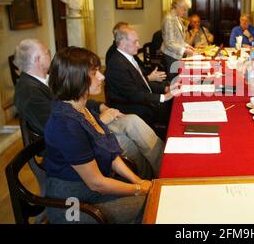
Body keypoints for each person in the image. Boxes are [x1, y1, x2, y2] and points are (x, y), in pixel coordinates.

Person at [13, 39, 163, 179]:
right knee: (126, 142)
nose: (50, 54)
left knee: (132, 120)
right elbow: (59, 129)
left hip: (86, 123)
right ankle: (147, 179)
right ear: (37, 59)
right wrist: (99, 121)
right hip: (72, 143)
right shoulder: (29, 92)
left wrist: (100, 106)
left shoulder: (45, 79)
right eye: (47, 52)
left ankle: (164, 167)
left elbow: (73, 96)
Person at [44, 47, 151, 224]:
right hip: (74, 203)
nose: (102, 77)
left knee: (151, 199)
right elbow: (96, 183)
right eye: (94, 73)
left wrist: (138, 181)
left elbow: (110, 153)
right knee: (151, 204)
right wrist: (139, 189)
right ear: (75, 79)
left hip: (94, 191)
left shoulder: (80, 107)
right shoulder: (66, 124)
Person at [105, 26, 178, 137]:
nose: (139, 45)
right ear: (123, 43)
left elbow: (142, 82)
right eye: (135, 42)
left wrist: (166, 89)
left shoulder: (128, 57)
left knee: (175, 103)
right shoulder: (117, 64)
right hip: (131, 106)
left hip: (141, 99)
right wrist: (163, 97)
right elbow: (133, 95)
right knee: (174, 110)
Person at [160, 0, 195, 80]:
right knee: (173, 82)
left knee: (178, 80)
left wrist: (186, 45)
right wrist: (184, 50)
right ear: (176, 6)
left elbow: (178, 39)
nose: (185, 12)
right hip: (170, 56)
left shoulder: (177, 17)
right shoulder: (169, 19)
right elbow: (169, 43)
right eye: (184, 9)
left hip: (176, 55)